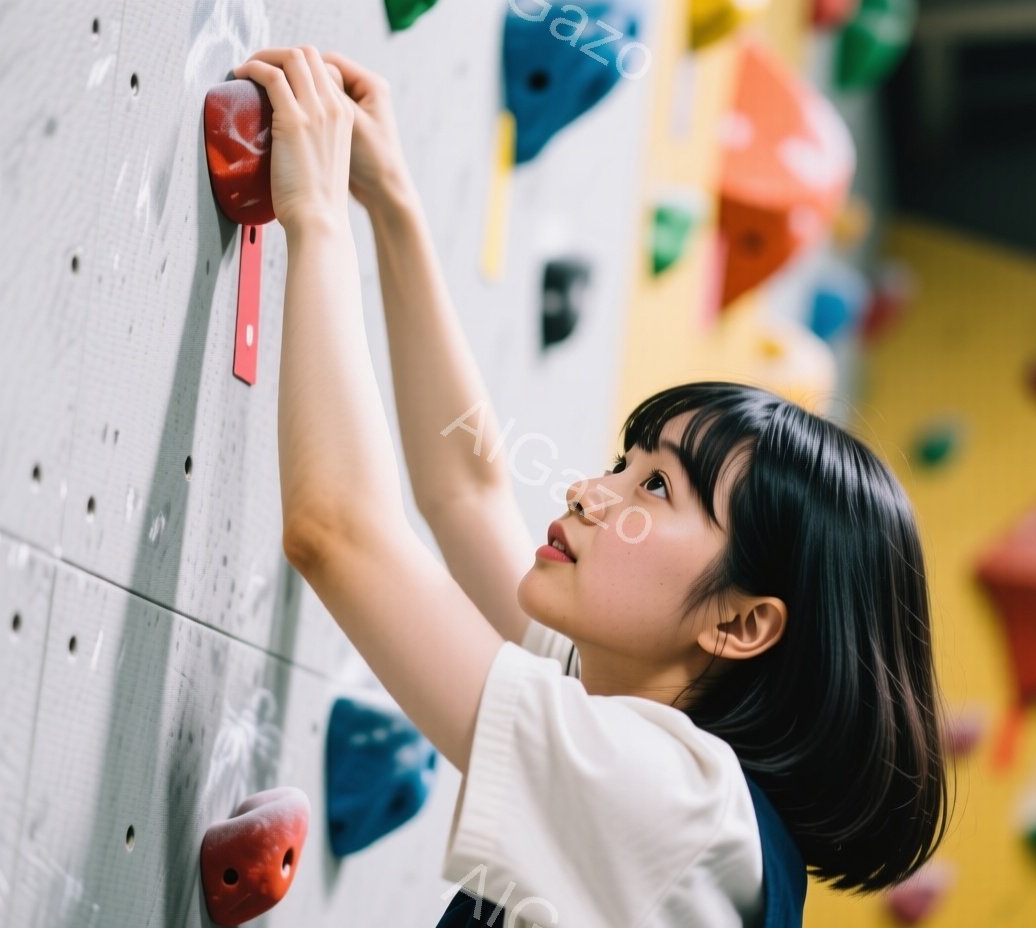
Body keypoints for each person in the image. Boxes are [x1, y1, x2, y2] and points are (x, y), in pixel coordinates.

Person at [233, 46, 950, 928]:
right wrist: (391, 204)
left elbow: (337, 535)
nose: (587, 492)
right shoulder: (648, 742)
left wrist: (314, 213)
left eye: (656, 490)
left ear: (739, 622)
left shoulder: (674, 809)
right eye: (625, 463)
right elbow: (465, 488)